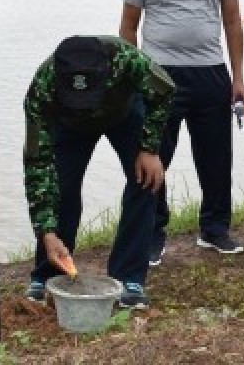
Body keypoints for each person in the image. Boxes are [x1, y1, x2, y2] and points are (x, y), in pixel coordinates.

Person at [119, 0, 244, 263]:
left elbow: (233, 22)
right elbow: (129, 27)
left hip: (211, 70)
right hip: (160, 73)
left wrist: (238, 78)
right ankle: (153, 231)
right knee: (153, 155)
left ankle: (215, 228)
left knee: (215, 155)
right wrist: (136, 77)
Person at [22, 36, 173, 310]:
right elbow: (37, 165)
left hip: (124, 113)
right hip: (68, 125)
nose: (85, 106)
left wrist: (150, 148)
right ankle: (48, 273)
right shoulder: (42, 87)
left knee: (146, 180)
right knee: (59, 187)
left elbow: (165, 90)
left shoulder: (127, 61)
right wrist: (46, 230)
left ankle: (129, 278)